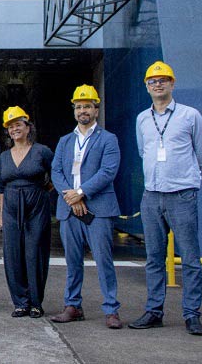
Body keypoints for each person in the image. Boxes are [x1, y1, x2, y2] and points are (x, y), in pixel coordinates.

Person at [129, 61, 202, 336]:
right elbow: (144, 151)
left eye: (163, 80)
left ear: (172, 84)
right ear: (147, 86)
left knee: (189, 257)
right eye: (153, 81)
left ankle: (191, 314)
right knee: (153, 257)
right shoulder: (142, 118)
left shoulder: (190, 116)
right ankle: (154, 311)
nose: (158, 84)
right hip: (151, 195)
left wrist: (186, 180)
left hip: (181, 195)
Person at [49, 85, 123, 329]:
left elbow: (108, 171)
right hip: (69, 209)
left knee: (103, 260)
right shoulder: (65, 141)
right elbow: (56, 171)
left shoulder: (108, 139)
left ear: (96, 109)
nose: (83, 110)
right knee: (72, 261)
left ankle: (111, 309)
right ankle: (72, 305)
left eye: (87, 106)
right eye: (79, 106)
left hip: (98, 209)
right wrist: (70, 196)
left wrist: (81, 193)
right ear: (74, 110)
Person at [0, 106, 54, 318]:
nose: (14, 129)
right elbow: (2, 187)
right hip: (11, 207)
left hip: (36, 207)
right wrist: (2, 215)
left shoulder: (42, 151)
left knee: (35, 253)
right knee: (13, 255)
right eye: (11, 127)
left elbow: (55, 176)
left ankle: (36, 302)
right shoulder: (4, 157)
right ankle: (20, 302)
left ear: (28, 127)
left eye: (18, 125)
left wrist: (41, 193)